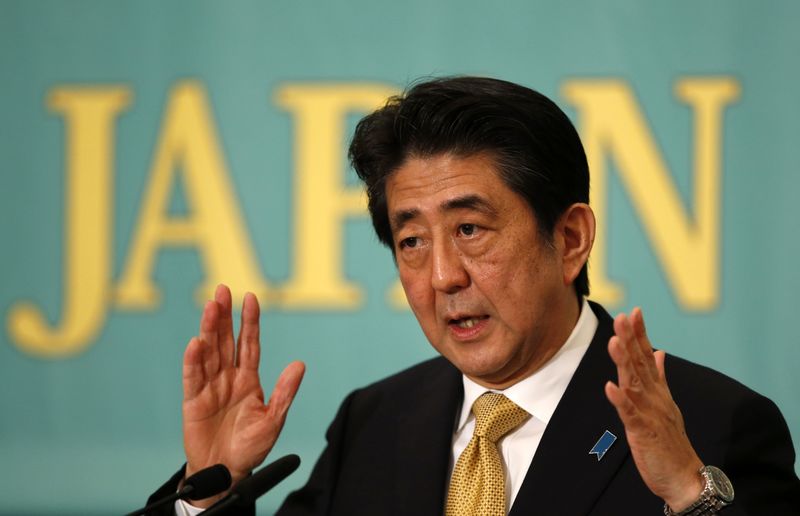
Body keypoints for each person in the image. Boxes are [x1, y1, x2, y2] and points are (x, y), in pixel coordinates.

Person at [148, 77, 800, 515]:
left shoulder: (714, 424)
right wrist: (207, 494)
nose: (442, 277)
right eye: (411, 241)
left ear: (570, 237)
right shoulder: (374, 424)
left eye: (469, 228)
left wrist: (691, 496)